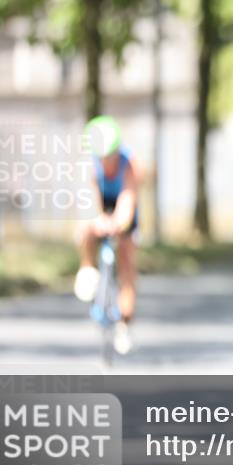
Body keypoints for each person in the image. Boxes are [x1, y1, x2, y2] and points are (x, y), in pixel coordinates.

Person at [74, 115, 140, 355]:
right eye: (102, 157)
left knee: (127, 258)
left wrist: (120, 224)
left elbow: (128, 201)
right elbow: (88, 200)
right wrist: (97, 220)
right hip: (99, 203)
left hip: (121, 203)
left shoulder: (130, 164)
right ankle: (87, 266)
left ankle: (124, 323)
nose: (106, 161)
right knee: (86, 230)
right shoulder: (88, 165)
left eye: (110, 156)